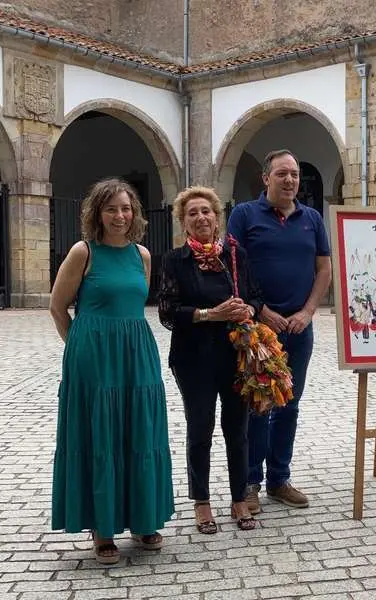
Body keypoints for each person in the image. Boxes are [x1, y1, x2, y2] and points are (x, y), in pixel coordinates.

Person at [49, 178, 174, 565]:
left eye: (126, 208)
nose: (120, 216)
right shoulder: (82, 252)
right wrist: (80, 350)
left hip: (137, 354)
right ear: (97, 214)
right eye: (111, 209)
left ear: (134, 213)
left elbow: (136, 304)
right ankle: (101, 529)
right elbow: (57, 307)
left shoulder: (143, 255)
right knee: (101, 435)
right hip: (94, 358)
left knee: (140, 431)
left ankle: (143, 518)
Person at [227, 149, 331, 513]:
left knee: (289, 404)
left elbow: (324, 270)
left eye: (295, 174)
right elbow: (233, 269)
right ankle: (250, 481)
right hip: (259, 329)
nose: (290, 180)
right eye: (282, 174)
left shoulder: (312, 218)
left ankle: (279, 479)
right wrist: (262, 312)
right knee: (259, 404)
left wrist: (308, 311)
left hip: (299, 327)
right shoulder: (244, 215)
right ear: (265, 178)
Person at [158, 186, 264, 532]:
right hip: (193, 359)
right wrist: (209, 314)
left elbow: (255, 297)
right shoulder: (175, 260)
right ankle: (201, 502)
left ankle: (237, 498)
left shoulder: (236, 255)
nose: (201, 217)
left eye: (206, 211)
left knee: (238, 429)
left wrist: (248, 308)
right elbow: (168, 312)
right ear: (183, 222)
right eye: (192, 213)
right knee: (200, 429)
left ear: (217, 217)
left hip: (235, 356)